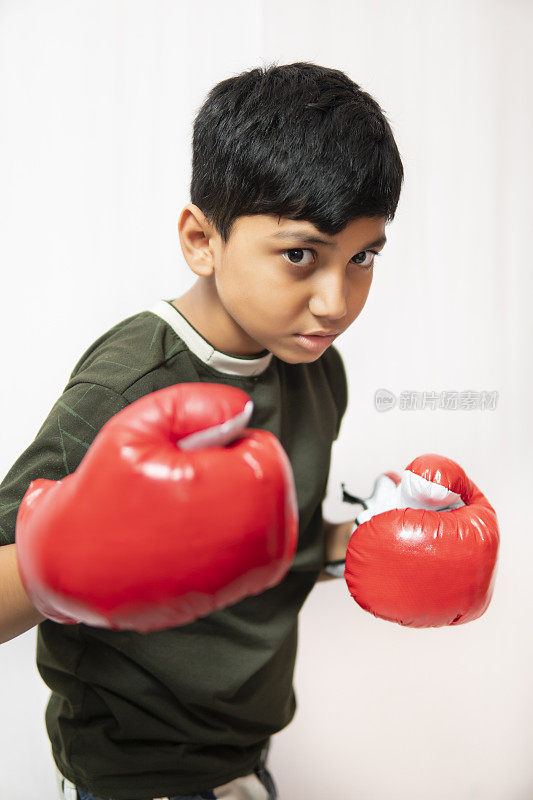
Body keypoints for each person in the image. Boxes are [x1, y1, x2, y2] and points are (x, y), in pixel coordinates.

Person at [0, 61, 404, 799]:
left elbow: (268, 542)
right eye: (299, 255)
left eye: (362, 258)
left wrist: (376, 543)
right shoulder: (126, 384)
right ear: (200, 239)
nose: (334, 300)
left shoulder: (316, 371)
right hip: (131, 779)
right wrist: (53, 564)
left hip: (243, 762)